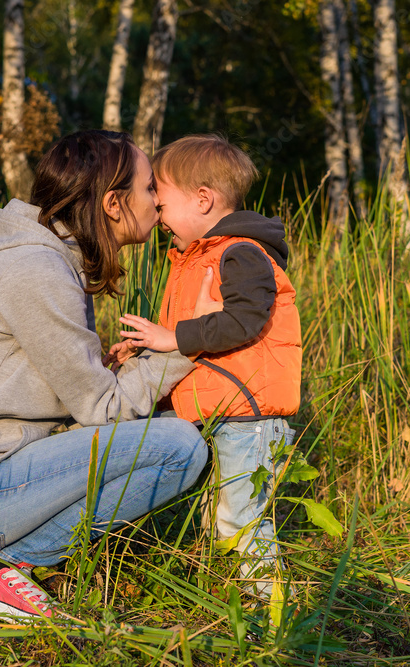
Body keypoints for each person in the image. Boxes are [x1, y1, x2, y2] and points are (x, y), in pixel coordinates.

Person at [0, 130, 217, 621]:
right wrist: (190, 340)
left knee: (165, 436)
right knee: (178, 448)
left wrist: (112, 370)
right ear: (113, 202)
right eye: (150, 187)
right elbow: (103, 410)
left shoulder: (49, 260)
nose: (159, 201)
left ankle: (5, 567)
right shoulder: (37, 270)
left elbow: (64, 395)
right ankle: (5, 567)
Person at [114, 134, 302, 602]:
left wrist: (171, 338)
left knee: (241, 521)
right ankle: (229, 602)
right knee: (216, 516)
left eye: (162, 199)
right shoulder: (201, 255)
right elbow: (201, 336)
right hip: (219, 412)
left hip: (249, 417)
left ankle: (272, 619)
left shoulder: (241, 253)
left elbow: (242, 320)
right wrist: (144, 353)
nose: (155, 212)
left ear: (203, 199)